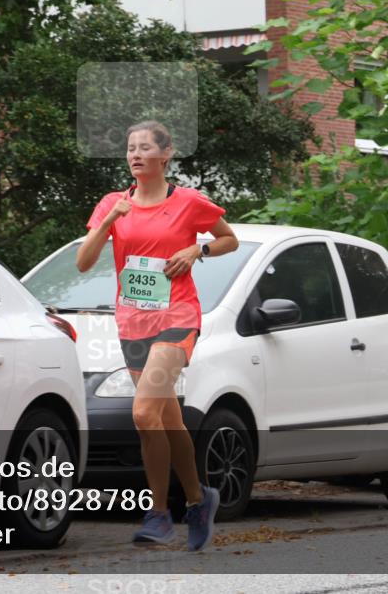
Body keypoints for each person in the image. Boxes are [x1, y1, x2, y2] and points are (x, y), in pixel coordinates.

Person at [76, 120, 239, 551]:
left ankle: (159, 514)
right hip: (133, 321)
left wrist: (197, 249)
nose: (135, 154)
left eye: (145, 147)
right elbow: (83, 262)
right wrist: (110, 220)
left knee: (145, 413)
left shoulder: (188, 202)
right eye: (131, 147)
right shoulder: (113, 204)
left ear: (166, 155)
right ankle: (198, 499)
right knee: (167, 419)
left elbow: (229, 239)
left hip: (177, 316)